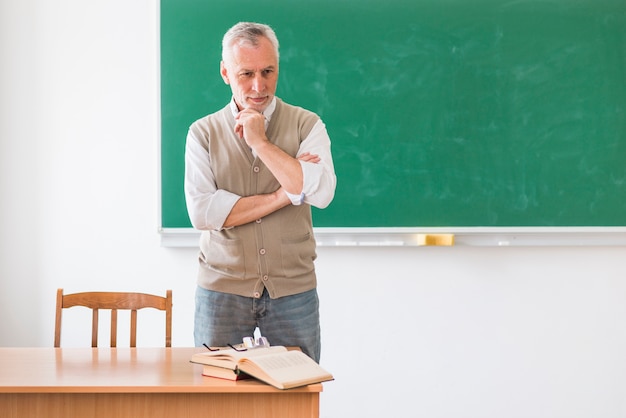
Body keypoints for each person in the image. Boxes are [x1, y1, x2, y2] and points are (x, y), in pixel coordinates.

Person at [184, 22, 336, 363]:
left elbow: (322, 192)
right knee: (215, 399)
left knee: (297, 395)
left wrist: (260, 142)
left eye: (268, 71)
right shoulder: (202, 134)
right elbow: (203, 214)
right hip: (221, 289)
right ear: (225, 72)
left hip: (293, 290)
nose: (258, 85)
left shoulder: (307, 124)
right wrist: (286, 194)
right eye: (246, 74)